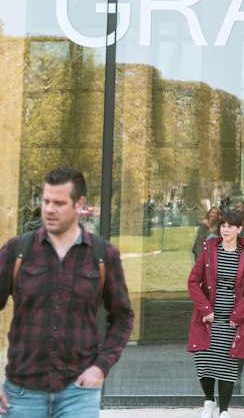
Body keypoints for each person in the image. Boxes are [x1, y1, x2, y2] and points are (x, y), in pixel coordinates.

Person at [0, 166, 134, 418]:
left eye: (59, 203)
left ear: (79, 203)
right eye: (46, 201)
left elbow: (122, 316)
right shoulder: (17, 250)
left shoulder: (103, 255)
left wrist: (101, 366)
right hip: (21, 394)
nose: (49, 209)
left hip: (78, 393)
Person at [188, 205, 244, 418]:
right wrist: (205, 309)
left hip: (232, 319)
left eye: (230, 226)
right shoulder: (209, 250)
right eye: (223, 226)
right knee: (204, 359)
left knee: (227, 362)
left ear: (239, 229)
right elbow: (193, 281)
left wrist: (238, 315)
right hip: (209, 316)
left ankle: (225, 410)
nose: (225, 230)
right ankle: (209, 401)